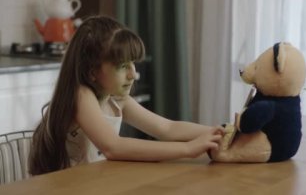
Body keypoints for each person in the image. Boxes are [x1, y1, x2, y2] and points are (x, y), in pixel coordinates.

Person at [29, 16, 224, 175]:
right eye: (122, 66)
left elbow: (168, 128)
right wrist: (188, 149)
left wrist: (220, 132)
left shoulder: (115, 99)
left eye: (132, 63)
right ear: (92, 72)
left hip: (92, 181)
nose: (133, 74)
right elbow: (113, 147)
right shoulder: (81, 96)